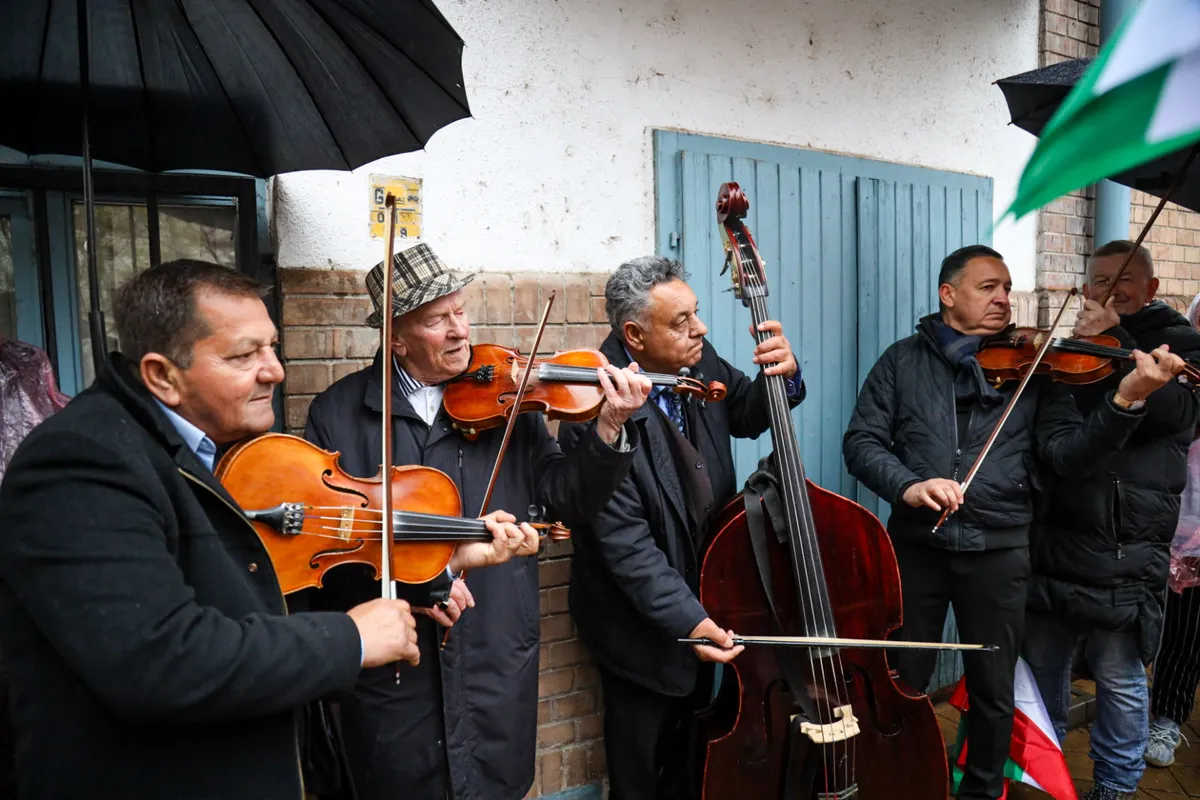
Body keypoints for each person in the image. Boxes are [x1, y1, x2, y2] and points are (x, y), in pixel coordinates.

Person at [0, 260, 539, 799]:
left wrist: (442, 564)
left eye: (271, 347)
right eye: (243, 355)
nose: (275, 371)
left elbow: (275, 589)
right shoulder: (82, 461)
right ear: (163, 375)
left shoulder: (197, 448)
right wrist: (350, 640)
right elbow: (161, 660)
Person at [302, 242, 652, 800]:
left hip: (493, 647)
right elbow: (323, 548)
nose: (459, 330)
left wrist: (610, 426)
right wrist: (416, 583)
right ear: (395, 337)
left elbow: (567, 501)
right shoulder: (338, 414)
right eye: (437, 319)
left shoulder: (508, 399)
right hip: (399, 671)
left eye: (460, 311)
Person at [842, 244, 1185, 800]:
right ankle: (896, 776)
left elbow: (1067, 456)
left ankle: (981, 791)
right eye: (987, 288)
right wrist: (907, 485)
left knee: (994, 687)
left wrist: (1123, 402)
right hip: (916, 546)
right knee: (903, 677)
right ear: (947, 294)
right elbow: (862, 441)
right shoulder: (902, 361)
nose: (1003, 298)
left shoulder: (1037, 367)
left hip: (1000, 548)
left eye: (1005, 287)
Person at [559, 255, 803, 800]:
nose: (701, 329)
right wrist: (690, 620)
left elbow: (745, 410)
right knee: (642, 767)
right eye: (682, 321)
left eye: (696, 313)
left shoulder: (698, 360)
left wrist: (784, 376)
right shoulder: (591, 407)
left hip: (706, 600)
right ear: (634, 335)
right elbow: (625, 547)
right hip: (638, 624)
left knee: (691, 753)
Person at [1021, 242, 1200, 800]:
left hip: (1127, 538)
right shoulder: (1074, 341)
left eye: (1125, 279)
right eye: (1099, 279)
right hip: (1058, 529)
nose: (1110, 288)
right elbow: (1053, 430)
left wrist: (1119, 340)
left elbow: (1181, 416)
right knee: (1043, 663)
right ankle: (1043, 769)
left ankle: (1117, 786)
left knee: (1120, 673)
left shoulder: (1185, 341)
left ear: (1151, 290)